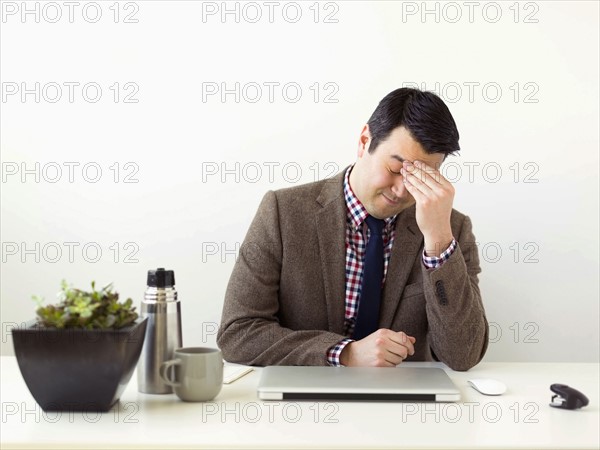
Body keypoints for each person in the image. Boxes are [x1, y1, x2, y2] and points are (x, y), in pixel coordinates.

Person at [217, 87, 488, 371]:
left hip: (402, 406)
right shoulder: (282, 213)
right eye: (397, 169)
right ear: (364, 141)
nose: (402, 190)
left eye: (423, 177)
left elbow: (463, 355)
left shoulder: (450, 229)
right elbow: (238, 333)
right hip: (306, 401)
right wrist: (343, 353)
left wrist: (439, 243)